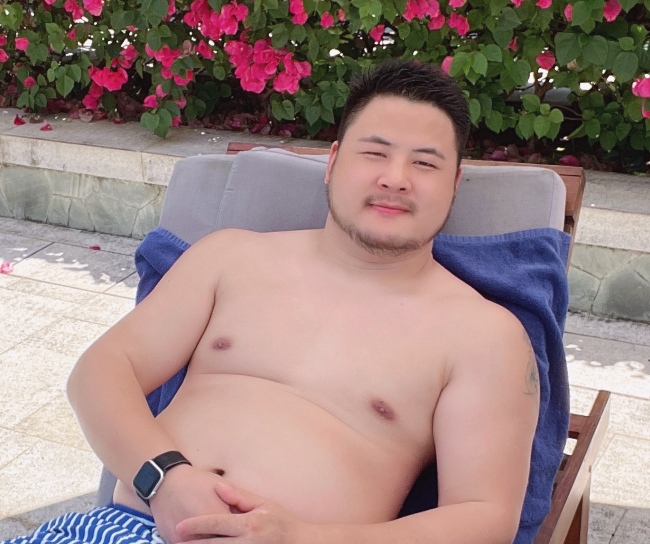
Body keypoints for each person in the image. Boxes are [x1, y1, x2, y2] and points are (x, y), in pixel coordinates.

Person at [4, 59, 539, 544]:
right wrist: (165, 479)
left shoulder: (483, 336)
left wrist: (304, 538)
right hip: (122, 528)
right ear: (333, 161)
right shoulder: (232, 258)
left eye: (424, 164)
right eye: (375, 153)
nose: (395, 179)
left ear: (454, 184)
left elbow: (485, 516)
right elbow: (101, 371)